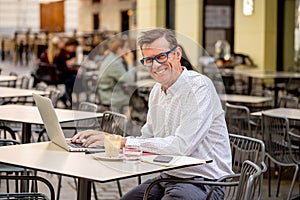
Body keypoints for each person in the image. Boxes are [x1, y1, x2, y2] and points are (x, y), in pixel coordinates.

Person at [71, 28, 233, 199]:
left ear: (177, 54)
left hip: (205, 181)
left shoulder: (199, 87)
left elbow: (181, 147)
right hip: (168, 176)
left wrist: (122, 142)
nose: (155, 65)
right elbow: (146, 139)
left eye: (161, 56)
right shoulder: (157, 91)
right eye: (148, 60)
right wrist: (108, 142)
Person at [96, 37, 136, 115]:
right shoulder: (115, 63)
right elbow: (130, 80)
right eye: (126, 47)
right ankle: (124, 123)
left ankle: (124, 122)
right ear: (119, 49)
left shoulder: (112, 57)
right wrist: (130, 62)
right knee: (135, 99)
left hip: (106, 92)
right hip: (109, 95)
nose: (129, 50)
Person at [53, 38, 79, 108]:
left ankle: (66, 97)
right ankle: (68, 98)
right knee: (75, 80)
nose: (74, 49)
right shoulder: (62, 53)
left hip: (66, 74)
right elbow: (63, 68)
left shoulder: (70, 53)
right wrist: (74, 70)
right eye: (73, 47)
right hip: (61, 75)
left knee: (75, 78)